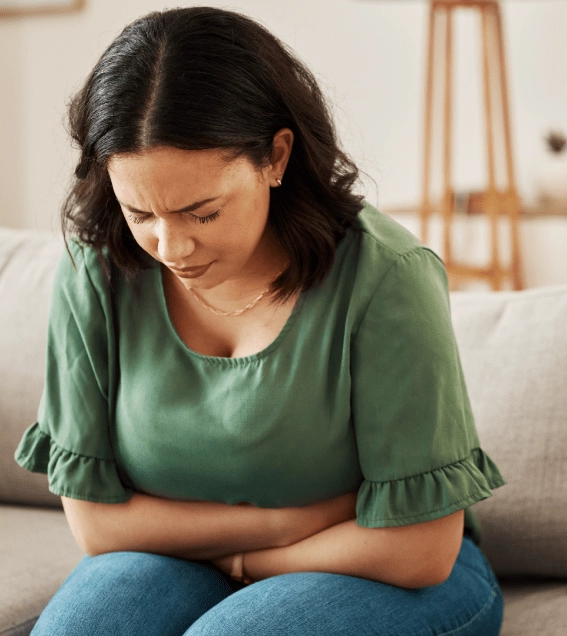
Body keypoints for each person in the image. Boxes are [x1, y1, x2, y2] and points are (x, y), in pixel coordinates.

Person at [14, 6, 507, 635]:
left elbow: (419, 550)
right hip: (200, 560)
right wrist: (282, 525)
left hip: (395, 575)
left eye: (203, 212)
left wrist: (244, 563)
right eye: (141, 213)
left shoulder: (386, 277)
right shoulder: (98, 272)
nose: (171, 247)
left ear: (275, 157)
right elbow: (97, 525)